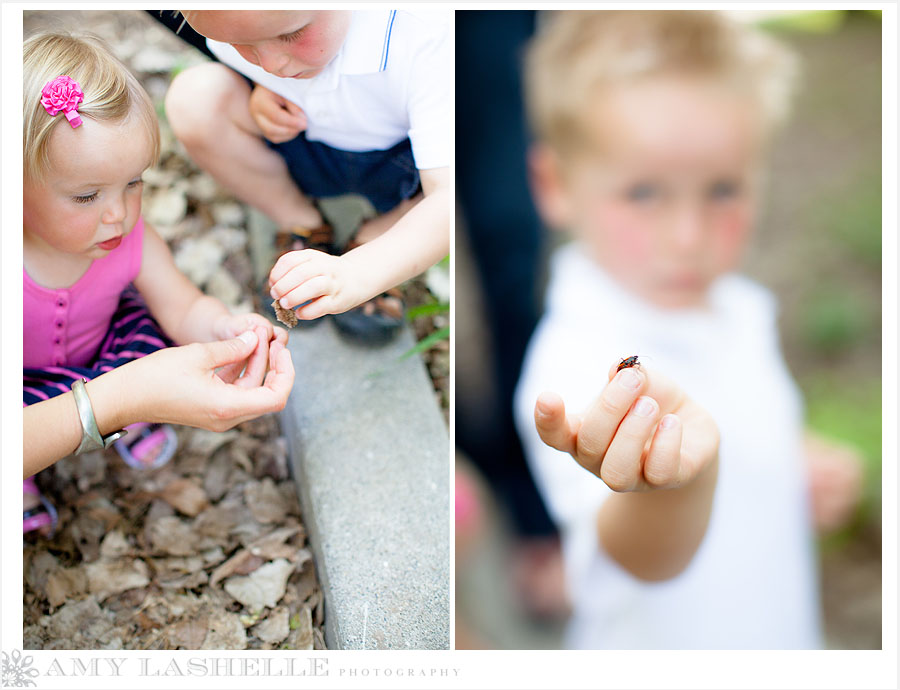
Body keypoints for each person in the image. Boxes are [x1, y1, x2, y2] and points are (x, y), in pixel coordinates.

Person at [513, 10, 863, 649]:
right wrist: (672, 487)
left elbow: (745, 418)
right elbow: (637, 557)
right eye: (645, 192)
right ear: (556, 185)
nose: (687, 237)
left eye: (723, 189)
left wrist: (793, 462)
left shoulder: (737, 308)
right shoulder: (577, 361)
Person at [23, 31, 294, 535]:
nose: (119, 215)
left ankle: (136, 406)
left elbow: (182, 307)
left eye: (133, 183)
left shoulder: (132, 240)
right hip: (23, 381)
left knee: (143, 332)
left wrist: (227, 328)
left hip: (103, 350)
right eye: (86, 197)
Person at [164, 10, 451, 344]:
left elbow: (446, 198)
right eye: (240, 44)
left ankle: (378, 242)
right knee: (195, 100)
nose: (271, 65)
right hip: (303, 140)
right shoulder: (238, 22)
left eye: (292, 34)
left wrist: (358, 273)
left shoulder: (427, 36)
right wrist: (258, 88)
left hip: (402, 166)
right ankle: (300, 220)